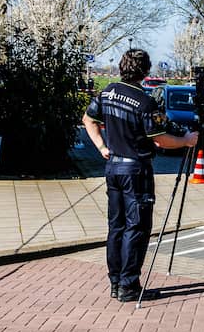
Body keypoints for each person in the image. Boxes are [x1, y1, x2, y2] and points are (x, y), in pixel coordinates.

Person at [82, 49, 197, 302]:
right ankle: (129, 285)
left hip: (113, 167)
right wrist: (186, 140)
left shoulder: (107, 92)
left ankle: (115, 282)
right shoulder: (145, 102)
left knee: (116, 226)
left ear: (122, 67)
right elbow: (162, 140)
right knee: (137, 227)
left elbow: (88, 120)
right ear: (145, 71)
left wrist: (102, 147)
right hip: (136, 170)